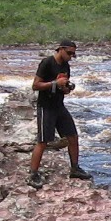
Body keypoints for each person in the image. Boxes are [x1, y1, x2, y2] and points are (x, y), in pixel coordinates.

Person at [28, 40, 91, 185]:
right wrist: (54, 84)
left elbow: (64, 87)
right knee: (43, 141)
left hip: (59, 106)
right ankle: (33, 174)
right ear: (60, 49)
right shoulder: (47, 63)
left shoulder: (65, 66)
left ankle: (75, 168)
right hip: (46, 106)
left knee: (73, 136)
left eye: (73, 54)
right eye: (69, 53)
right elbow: (35, 85)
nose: (71, 56)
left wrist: (66, 88)